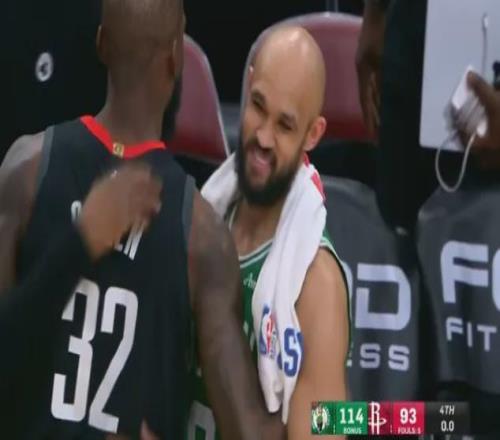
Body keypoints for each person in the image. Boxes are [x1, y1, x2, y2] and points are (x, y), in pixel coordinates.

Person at [0, 0, 284, 438]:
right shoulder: (202, 235)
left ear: (101, 44)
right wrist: (344, 410)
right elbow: (250, 433)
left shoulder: (25, 171)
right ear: (176, 58)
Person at [190, 26, 350, 440]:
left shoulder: (318, 289)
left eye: (284, 125)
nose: (262, 137)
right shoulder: (198, 221)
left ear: (313, 134)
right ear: (247, 87)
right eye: (258, 107)